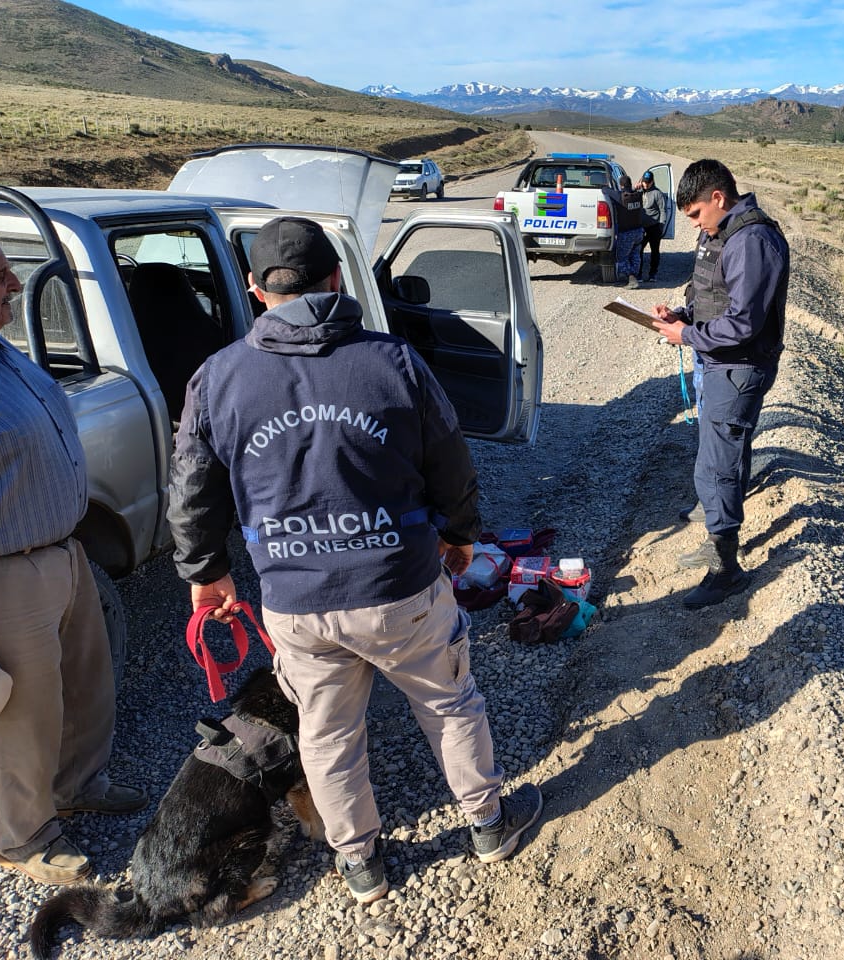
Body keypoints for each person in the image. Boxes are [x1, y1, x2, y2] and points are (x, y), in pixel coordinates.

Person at [167, 217, 543, 905]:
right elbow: (450, 463)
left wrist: (205, 571)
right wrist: (460, 534)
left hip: (296, 603)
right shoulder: (394, 361)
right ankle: (489, 826)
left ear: (254, 290)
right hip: (400, 586)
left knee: (327, 731)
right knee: (450, 703)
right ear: (336, 279)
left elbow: (193, 483)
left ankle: (360, 867)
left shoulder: (218, 377)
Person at [0, 224, 146, 886]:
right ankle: (24, 837)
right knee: (25, 714)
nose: (15, 283)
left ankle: (77, 783)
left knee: (85, 686)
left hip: (62, 553)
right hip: (3, 574)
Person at [650, 160, 790, 609]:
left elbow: (745, 322)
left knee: (717, 465)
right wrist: (682, 317)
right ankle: (719, 545)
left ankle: (725, 569)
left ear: (718, 198)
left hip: (739, 366)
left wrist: (686, 336)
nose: (694, 225)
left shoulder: (752, 241)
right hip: (722, 364)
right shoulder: (722, 234)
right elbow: (714, 299)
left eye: (695, 215)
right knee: (722, 457)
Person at [607, 174, 644, 287]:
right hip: (638, 232)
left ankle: (631, 279)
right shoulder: (638, 195)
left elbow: (606, 190)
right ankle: (635, 276)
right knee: (635, 255)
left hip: (626, 233)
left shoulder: (621, 196)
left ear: (621, 185)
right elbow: (633, 191)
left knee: (621, 258)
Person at [637, 170, 667, 283]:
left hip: (654, 227)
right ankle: (638, 274)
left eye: (648, 182)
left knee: (655, 251)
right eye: (644, 182)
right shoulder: (639, 191)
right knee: (638, 250)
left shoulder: (657, 193)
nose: (645, 184)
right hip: (641, 228)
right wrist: (636, 188)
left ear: (652, 182)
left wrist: (661, 226)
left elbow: (662, 210)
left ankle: (653, 274)